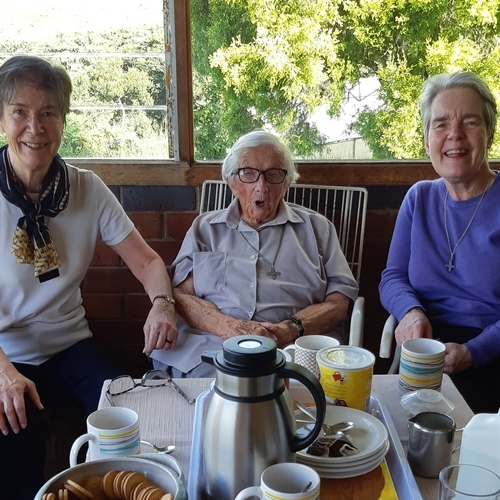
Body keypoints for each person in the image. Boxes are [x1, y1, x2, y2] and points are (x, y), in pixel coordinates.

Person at [0, 55, 177, 498]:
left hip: (71, 345)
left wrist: (162, 304)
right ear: (2, 118)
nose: (34, 128)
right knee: (14, 441)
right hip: (5, 352)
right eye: (20, 111)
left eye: (48, 113)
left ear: (63, 120)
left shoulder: (87, 189)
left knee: (119, 418)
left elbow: (149, 263)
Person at [150, 130, 359, 377]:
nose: (262, 186)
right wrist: (230, 327)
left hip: (294, 350)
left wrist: (291, 328)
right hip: (212, 349)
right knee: (212, 402)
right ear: (231, 182)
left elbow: (339, 302)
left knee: (293, 400)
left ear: (287, 183)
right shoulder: (205, 229)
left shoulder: (317, 229)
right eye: (248, 173)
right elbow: (180, 296)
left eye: (274, 175)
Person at [379, 72, 500, 414]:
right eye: (441, 124)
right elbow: (393, 277)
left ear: (489, 133)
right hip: (424, 350)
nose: (454, 135)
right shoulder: (419, 198)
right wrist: (410, 311)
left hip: (491, 354)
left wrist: (476, 351)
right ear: (427, 138)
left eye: (470, 122)